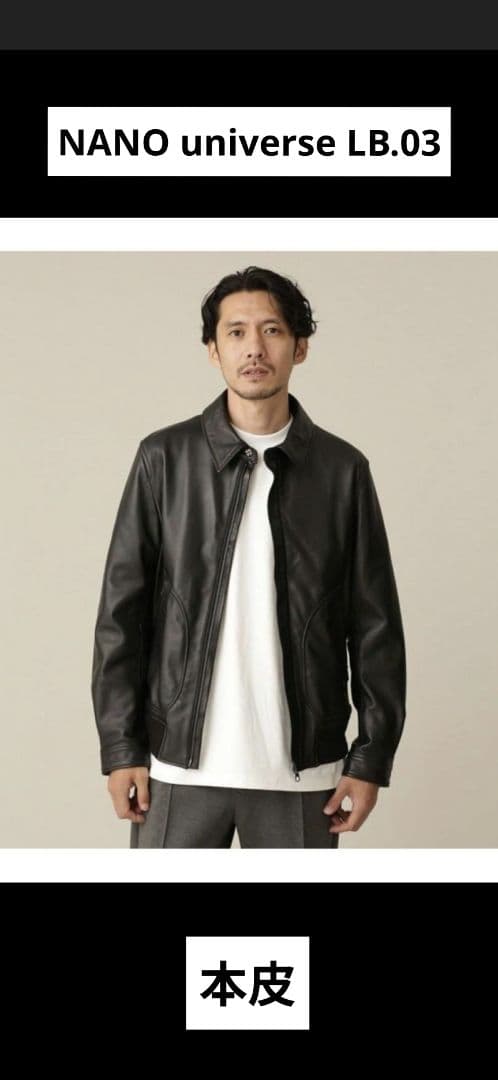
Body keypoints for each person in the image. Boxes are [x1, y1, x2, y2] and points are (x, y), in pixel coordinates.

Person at [91, 266, 407, 848]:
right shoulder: (164, 459)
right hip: (175, 768)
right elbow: (121, 617)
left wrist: (370, 759)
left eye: (272, 330)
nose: (254, 348)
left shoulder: (342, 471)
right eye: (235, 332)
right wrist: (120, 747)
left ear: (300, 347)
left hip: (303, 773)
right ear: (213, 350)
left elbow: (375, 626)